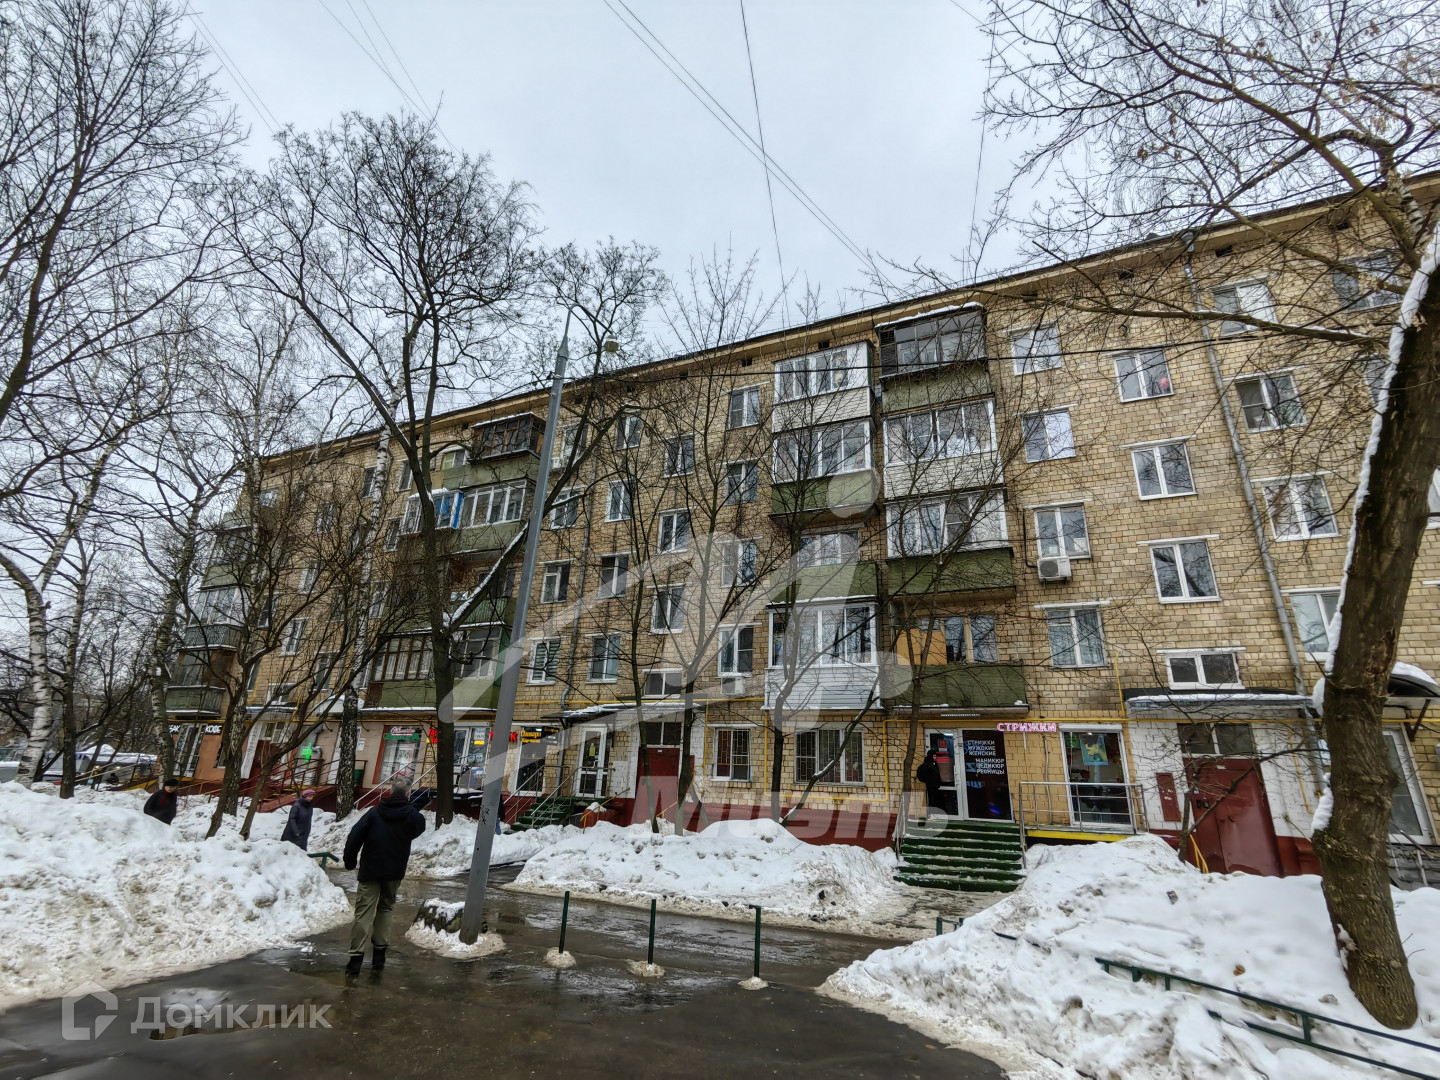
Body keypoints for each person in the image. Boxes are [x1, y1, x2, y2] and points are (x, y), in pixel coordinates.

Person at [342, 779, 428, 973]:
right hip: (394, 871)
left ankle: (355, 959)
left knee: (363, 912)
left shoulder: (374, 813)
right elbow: (418, 828)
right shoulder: (413, 817)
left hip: (370, 870)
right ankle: (379, 957)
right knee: (386, 908)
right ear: (408, 794)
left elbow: (355, 836)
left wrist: (350, 860)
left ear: (390, 792)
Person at [916, 750, 944, 816]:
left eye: (935, 756)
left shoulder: (934, 763)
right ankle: (930, 815)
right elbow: (926, 775)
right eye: (934, 756)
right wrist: (930, 780)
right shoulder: (927, 764)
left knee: (935, 800)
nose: (935, 758)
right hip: (931, 785)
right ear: (930, 756)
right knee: (932, 800)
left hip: (935, 785)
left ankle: (934, 814)